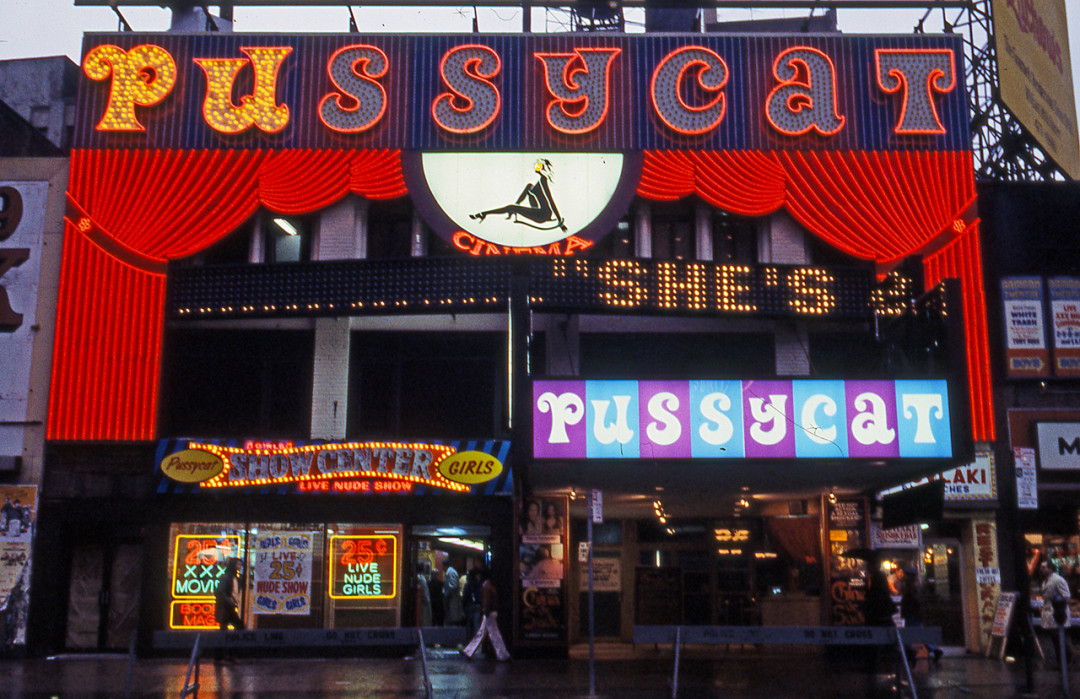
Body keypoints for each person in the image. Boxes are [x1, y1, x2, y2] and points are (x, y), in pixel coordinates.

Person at [461, 567, 511, 661]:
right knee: (490, 634)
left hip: (488, 612)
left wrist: (485, 610)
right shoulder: (490, 585)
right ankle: (502, 655)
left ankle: (469, 652)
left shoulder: (486, 586)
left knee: (489, 634)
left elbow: (486, 600)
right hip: (491, 612)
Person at [897, 566, 943, 665]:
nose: (904, 576)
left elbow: (915, 601)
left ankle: (911, 654)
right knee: (919, 634)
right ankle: (934, 649)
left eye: (906, 574)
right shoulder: (914, 586)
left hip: (913, 614)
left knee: (911, 633)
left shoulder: (913, 588)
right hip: (914, 614)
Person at [1039, 559, 1073, 668]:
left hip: (1057, 613)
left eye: (1044, 567)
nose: (1041, 569)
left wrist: (1059, 607)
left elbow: (1066, 596)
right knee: (1054, 639)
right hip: (1049, 613)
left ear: (1050, 568)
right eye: (1041, 567)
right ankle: (1061, 661)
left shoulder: (1058, 580)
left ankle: (1067, 658)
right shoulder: (1045, 580)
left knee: (1058, 637)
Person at [215, 557, 243, 631]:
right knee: (238, 625)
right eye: (239, 564)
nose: (240, 566)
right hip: (225, 606)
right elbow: (219, 591)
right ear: (234, 565)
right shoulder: (227, 577)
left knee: (226, 626)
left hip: (229, 606)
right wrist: (229, 600)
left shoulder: (234, 577)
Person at [462, 569, 483, 639]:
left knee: (468, 624)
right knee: (476, 625)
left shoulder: (468, 585)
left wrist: (463, 606)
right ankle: (476, 641)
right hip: (477, 606)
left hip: (469, 606)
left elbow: (465, 596)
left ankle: (468, 640)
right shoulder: (479, 584)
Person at [443, 559, 463, 625]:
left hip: (453, 598)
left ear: (445, 566)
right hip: (451, 598)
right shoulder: (450, 572)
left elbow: (453, 586)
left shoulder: (451, 572)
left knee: (453, 616)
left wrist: (447, 594)